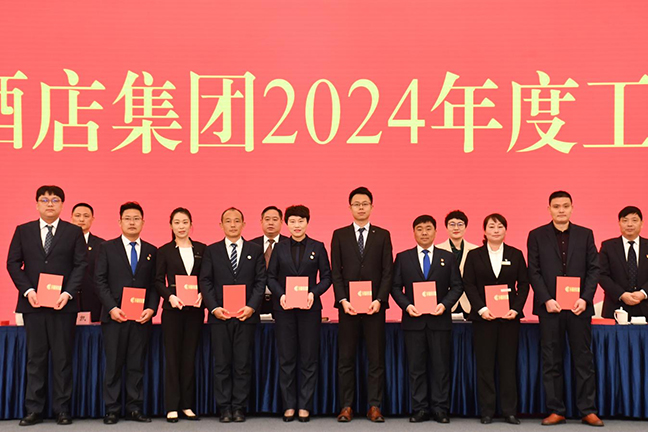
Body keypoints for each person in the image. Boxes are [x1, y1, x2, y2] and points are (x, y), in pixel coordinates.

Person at [7, 185, 87, 426]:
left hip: (63, 305)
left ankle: (62, 409)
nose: (49, 204)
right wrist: (28, 290)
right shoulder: (23, 230)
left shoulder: (74, 232)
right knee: (35, 359)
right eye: (44, 200)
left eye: (55, 200)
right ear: (36, 204)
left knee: (63, 359)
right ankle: (34, 410)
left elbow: (81, 265)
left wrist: (68, 293)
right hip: (33, 304)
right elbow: (13, 263)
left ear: (62, 204)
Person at [527, 191, 603, 427]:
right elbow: (533, 271)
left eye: (565, 206)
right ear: (549, 209)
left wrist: (586, 298)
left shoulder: (585, 234)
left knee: (583, 360)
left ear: (572, 208)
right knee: (551, 360)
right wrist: (547, 299)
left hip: (579, 308)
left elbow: (594, 269)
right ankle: (556, 410)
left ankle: (587, 410)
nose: (561, 210)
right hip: (550, 308)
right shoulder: (536, 235)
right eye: (556, 206)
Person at [391, 215, 462, 424]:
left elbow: (457, 286)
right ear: (413, 232)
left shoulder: (448, 257)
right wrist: (407, 306)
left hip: (440, 321)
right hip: (413, 321)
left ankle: (440, 409)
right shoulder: (403, 258)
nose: (424, 233)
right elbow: (395, 287)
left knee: (441, 367)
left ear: (435, 232)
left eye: (428, 228)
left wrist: (444, 305)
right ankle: (420, 408)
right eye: (420, 229)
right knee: (416, 368)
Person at [331, 187, 393, 423]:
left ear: (372, 207)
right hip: (348, 308)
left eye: (364, 204)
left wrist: (379, 300)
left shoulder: (383, 235)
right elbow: (336, 272)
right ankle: (346, 406)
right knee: (346, 359)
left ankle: (374, 406)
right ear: (350, 207)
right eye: (356, 204)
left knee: (376, 359)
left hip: (374, 308)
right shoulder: (339, 235)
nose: (360, 208)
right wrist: (342, 300)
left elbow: (388, 271)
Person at [95, 202, 159, 425]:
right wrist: (112, 308)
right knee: (113, 365)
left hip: (141, 318)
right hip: (114, 317)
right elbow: (99, 281)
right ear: (120, 221)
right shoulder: (106, 248)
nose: (132, 222)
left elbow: (155, 284)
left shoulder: (151, 251)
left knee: (136, 364)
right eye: (128, 218)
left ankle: (134, 408)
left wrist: (151, 308)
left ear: (143, 222)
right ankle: (112, 409)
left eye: (136, 218)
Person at [199, 207, 265, 423]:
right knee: (222, 364)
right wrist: (214, 308)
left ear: (244, 224)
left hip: (246, 316)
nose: (233, 225)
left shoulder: (255, 250)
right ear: (221, 225)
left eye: (237, 221)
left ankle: (239, 407)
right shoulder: (212, 250)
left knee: (242, 364)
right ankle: (224, 408)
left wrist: (251, 306)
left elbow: (260, 281)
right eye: (228, 221)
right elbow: (205, 281)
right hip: (220, 316)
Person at [267, 205, 332, 422]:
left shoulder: (318, 247)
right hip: (284, 309)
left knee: (309, 358)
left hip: (309, 309)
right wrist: (281, 295)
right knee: (286, 358)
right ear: (286, 224)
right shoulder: (279, 247)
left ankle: (305, 405)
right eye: (293, 221)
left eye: (301, 221)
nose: (297, 225)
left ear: (307, 222)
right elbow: (270, 277)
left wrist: (313, 293)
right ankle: (289, 405)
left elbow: (327, 277)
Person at [463, 213, 529, 425]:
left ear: (506, 230)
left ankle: (509, 411)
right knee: (485, 366)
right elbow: (468, 284)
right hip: (484, 319)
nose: (496, 230)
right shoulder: (474, 255)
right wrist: (481, 309)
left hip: (509, 319)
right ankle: (487, 411)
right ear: (484, 231)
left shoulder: (515, 254)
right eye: (491, 226)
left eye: (500, 226)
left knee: (508, 365)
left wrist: (516, 309)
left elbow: (524, 284)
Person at [155, 208, 206, 422]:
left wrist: (203, 295)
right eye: (177, 222)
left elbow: (207, 278)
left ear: (191, 225)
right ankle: (172, 406)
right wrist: (170, 297)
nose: (181, 226)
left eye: (185, 222)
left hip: (195, 310)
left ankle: (187, 405)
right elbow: (158, 280)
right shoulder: (164, 251)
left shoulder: (202, 249)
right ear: (171, 226)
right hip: (173, 311)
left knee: (189, 357)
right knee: (173, 358)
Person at [599, 206, 648, 319]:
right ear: (619, 223)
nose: (629, 224)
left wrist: (643, 293)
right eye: (625, 220)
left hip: (645, 306)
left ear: (642, 223)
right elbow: (601, 275)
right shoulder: (608, 246)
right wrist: (621, 294)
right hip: (616, 307)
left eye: (634, 220)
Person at [436, 210, 478, 315]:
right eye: (452, 224)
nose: (456, 228)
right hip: (444, 303)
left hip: (469, 303)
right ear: (446, 227)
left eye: (460, 224)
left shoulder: (476, 250)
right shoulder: (437, 250)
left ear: (465, 227)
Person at [71, 202, 106, 323]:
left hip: (94, 301)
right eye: (77, 216)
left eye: (86, 216)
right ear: (71, 218)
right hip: (67, 301)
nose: (81, 219)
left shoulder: (102, 245)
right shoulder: (61, 243)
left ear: (92, 219)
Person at [250, 206, 288, 316]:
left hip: (283, 300)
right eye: (267, 219)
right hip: (256, 301)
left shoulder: (289, 245)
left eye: (275, 219)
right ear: (261, 222)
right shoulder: (251, 246)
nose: (271, 223)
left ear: (281, 222)